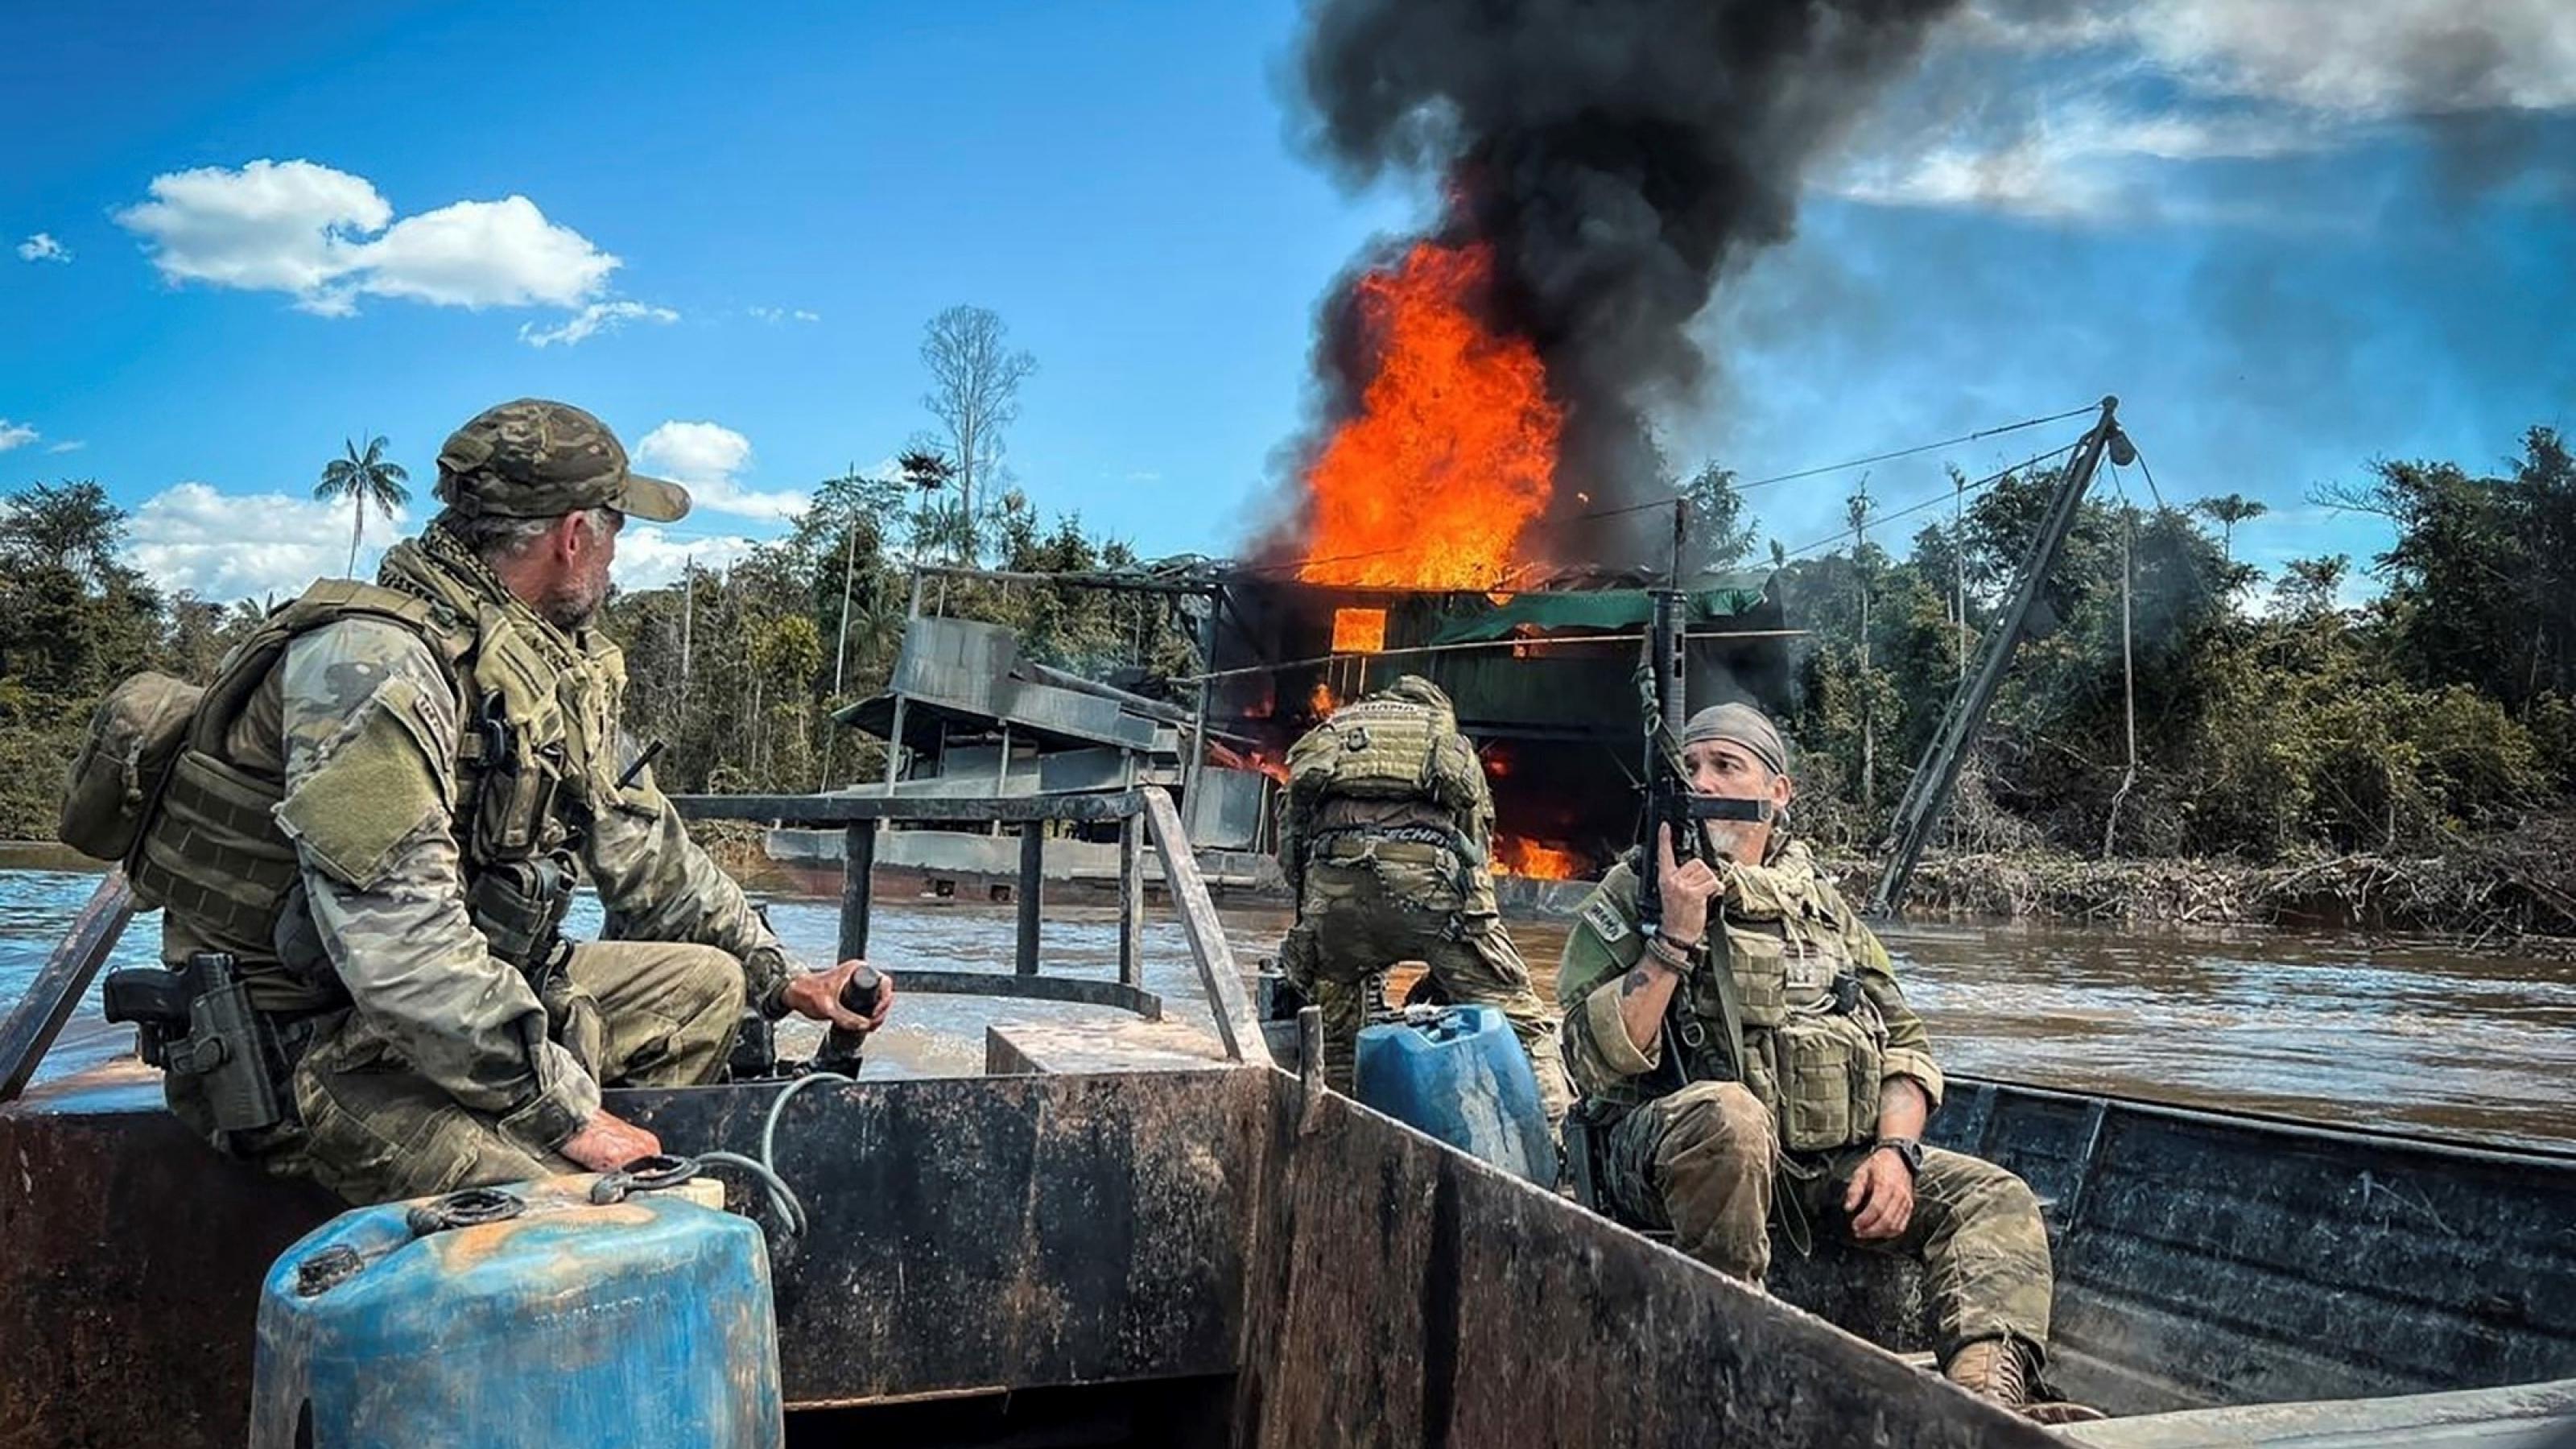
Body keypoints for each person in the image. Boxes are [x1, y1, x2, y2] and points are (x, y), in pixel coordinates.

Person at [133, 398, 890, 1204]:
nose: (610, 561)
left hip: (438, 1019)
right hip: (311, 1057)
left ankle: (602, 1166)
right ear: (574, 536)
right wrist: (562, 1118)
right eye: (613, 534)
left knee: (703, 984)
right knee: (600, 1219)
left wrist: (787, 979)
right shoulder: (374, 667)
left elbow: (652, 858)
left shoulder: (538, 663)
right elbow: (400, 945)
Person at [1555, 702, 2099, 1424]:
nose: (1705, 781)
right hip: (1661, 1164)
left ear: (1778, 792)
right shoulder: (1637, 892)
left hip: (1812, 1171)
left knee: (1992, 1196)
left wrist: (1896, 1152)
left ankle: (1988, 1401)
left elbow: (1903, 1041)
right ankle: (1731, 1361)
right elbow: (1587, 1060)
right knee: (1731, 1117)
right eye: (1690, 768)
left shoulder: (1824, 908)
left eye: (1726, 765)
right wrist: (1671, 943)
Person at [1276, 674, 1573, 1123]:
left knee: (1335, 1040)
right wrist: (1475, 936)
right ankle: (1557, 1138)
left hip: (1335, 904)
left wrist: (1317, 919)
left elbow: (1291, 839)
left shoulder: (1335, 734)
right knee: (1523, 1022)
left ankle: (1332, 1130)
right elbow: (1476, 849)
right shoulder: (1445, 740)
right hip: (1429, 903)